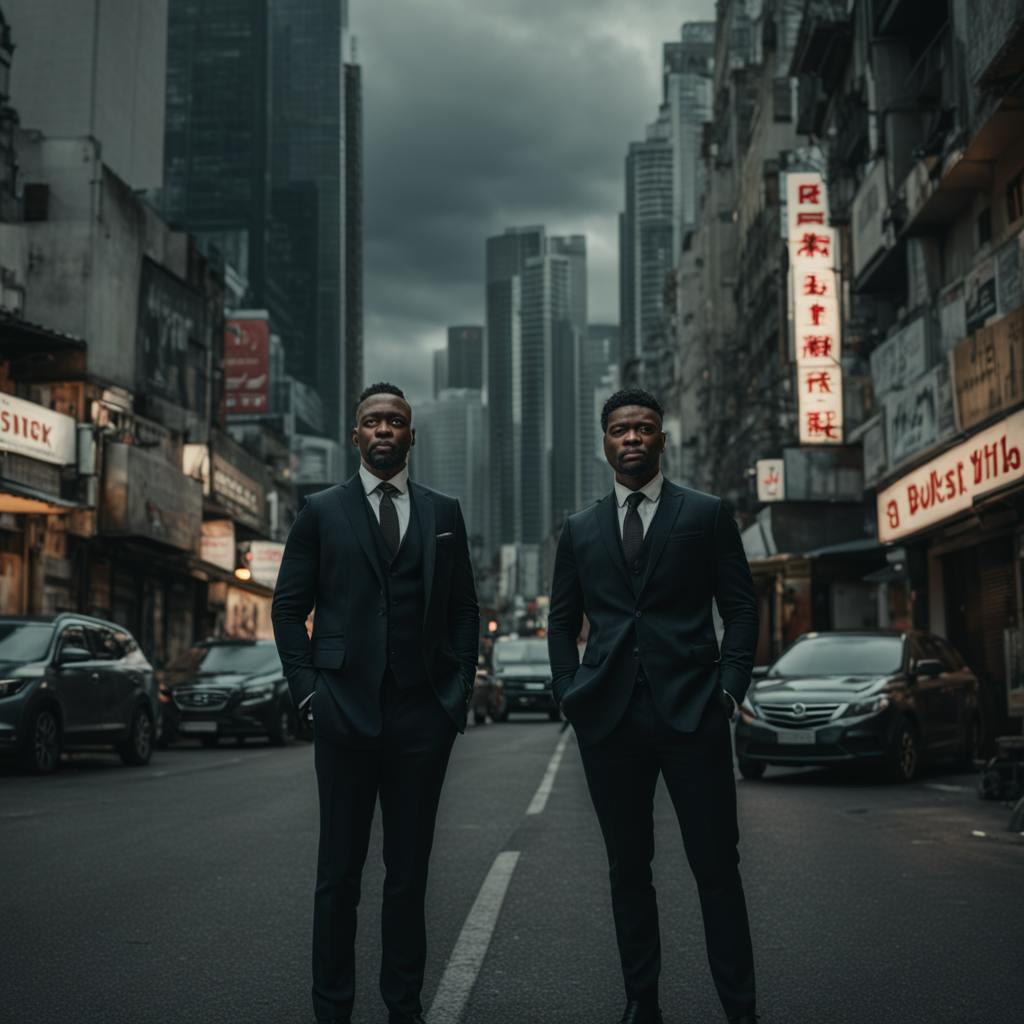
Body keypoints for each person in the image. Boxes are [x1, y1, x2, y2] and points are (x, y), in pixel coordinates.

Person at [547, 388, 759, 1024]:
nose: (632, 438)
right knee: (627, 867)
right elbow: (561, 623)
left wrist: (729, 688)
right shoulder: (580, 529)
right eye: (619, 430)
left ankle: (740, 1007)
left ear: (663, 439)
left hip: (694, 711)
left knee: (716, 866)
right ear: (604, 442)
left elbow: (742, 607)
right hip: (609, 720)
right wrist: (568, 689)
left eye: (643, 428)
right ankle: (642, 1001)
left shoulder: (706, 514)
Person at [271, 382, 479, 1024]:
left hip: (423, 717)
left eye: (396, 421)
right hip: (344, 712)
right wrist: (309, 693)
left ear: (412, 436)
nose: (385, 429)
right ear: (356, 435)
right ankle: (331, 1007)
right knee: (338, 874)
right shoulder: (320, 511)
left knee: (408, 875)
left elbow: (465, 610)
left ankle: (403, 1007)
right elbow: (287, 608)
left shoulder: (443, 512)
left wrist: (457, 693)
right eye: (372, 421)